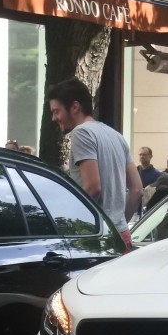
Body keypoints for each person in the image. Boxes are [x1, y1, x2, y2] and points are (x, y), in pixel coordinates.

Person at [48, 78, 142, 241]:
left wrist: (68, 221)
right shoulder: (117, 136)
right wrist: (119, 226)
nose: (54, 118)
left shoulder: (81, 133)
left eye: (56, 111)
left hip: (95, 237)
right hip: (122, 235)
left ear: (75, 107)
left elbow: (93, 188)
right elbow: (137, 190)